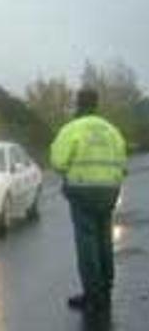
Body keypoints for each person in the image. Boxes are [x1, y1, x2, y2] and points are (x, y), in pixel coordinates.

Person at [50, 88, 127, 312]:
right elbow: (122, 161)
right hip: (110, 191)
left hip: (83, 191)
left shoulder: (72, 129)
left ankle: (93, 296)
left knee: (87, 242)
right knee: (104, 238)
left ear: (78, 104)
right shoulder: (111, 130)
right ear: (96, 104)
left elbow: (57, 161)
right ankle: (106, 287)